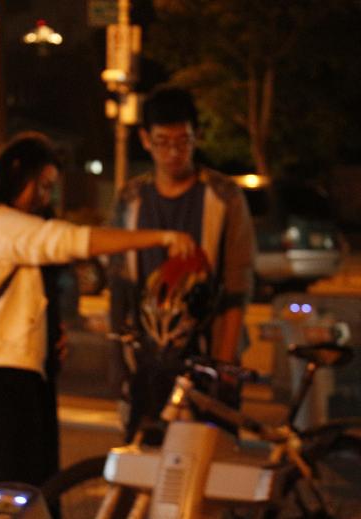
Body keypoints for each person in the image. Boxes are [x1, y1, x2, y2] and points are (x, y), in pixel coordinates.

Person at [0, 132, 195, 517]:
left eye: (50, 188)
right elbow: (70, 240)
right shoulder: (0, 223)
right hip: (0, 382)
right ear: (17, 171)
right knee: (15, 493)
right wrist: (160, 237)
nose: (45, 197)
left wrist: (45, 334)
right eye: (42, 185)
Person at [109, 86, 256, 441]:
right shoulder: (131, 198)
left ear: (196, 137)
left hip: (206, 358)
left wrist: (223, 365)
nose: (174, 153)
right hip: (146, 359)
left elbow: (237, 285)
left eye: (183, 141)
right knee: (142, 459)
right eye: (163, 142)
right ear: (145, 140)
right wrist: (120, 359)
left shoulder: (223, 195)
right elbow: (119, 283)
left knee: (205, 459)